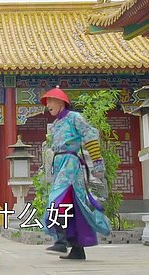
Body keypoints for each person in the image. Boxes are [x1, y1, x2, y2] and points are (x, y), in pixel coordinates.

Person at [40, 86, 111, 260]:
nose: (48, 105)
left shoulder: (74, 117)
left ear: (61, 102)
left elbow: (90, 135)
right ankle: (77, 249)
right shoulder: (55, 125)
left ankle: (61, 241)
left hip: (70, 164)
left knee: (57, 199)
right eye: (47, 102)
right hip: (59, 164)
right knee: (72, 205)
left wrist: (97, 163)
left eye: (51, 101)